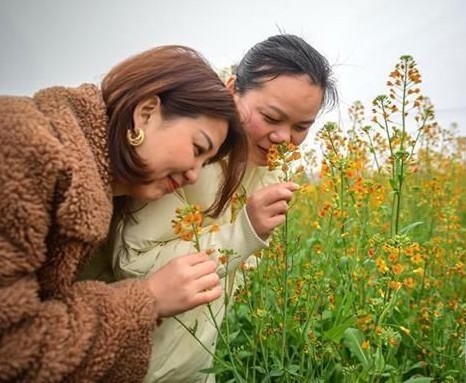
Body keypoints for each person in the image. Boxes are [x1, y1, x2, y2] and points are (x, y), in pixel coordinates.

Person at [0, 45, 247, 382]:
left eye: (204, 162)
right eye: (197, 148)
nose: (194, 174)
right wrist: (147, 299)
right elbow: (1, 350)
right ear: (146, 112)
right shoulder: (19, 146)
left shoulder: (97, 190)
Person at [111, 34, 338, 382]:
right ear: (232, 88)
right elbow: (133, 262)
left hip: (195, 368)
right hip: (126, 365)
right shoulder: (185, 158)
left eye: (300, 127)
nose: (284, 138)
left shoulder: (268, 170)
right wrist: (245, 231)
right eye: (271, 116)